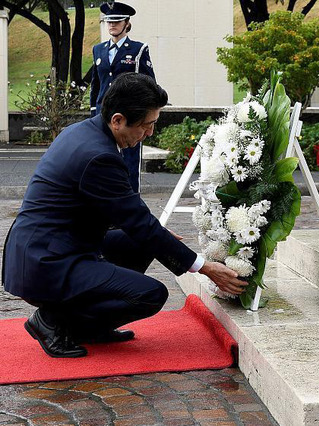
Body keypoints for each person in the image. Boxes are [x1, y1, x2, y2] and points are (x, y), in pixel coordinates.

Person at [1, 73, 247, 358]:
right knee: (151, 294)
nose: (150, 133)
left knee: (144, 243)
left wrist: (158, 237)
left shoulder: (85, 132)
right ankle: (53, 320)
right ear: (118, 120)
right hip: (46, 263)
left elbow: (126, 213)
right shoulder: (98, 156)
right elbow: (139, 223)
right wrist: (204, 267)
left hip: (50, 247)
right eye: (147, 125)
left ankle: (91, 327)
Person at [90, 1, 154, 192]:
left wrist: (146, 117)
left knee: (129, 161)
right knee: (103, 158)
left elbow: (149, 83)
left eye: (117, 21)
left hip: (129, 115)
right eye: (109, 21)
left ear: (127, 23)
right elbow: (97, 85)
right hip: (103, 114)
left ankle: (131, 201)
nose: (112, 25)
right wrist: (93, 112)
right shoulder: (98, 50)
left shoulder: (138, 49)